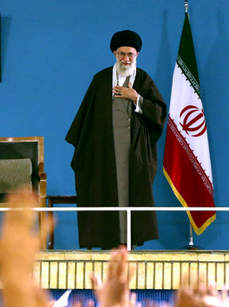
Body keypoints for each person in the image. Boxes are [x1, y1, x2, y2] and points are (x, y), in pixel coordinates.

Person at [66, 30, 166, 249]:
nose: (126, 59)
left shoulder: (142, 79)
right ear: (114, 53)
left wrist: (136, 98)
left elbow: (159, 113)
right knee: (105, 190)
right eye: (122, 54)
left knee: (132, 193)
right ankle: (108, 241)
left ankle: (129, 241)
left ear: (137, 55)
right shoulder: (101, 80)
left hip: (134, 151)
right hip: (104, 151)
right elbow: (86, 117)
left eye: (130, 54)